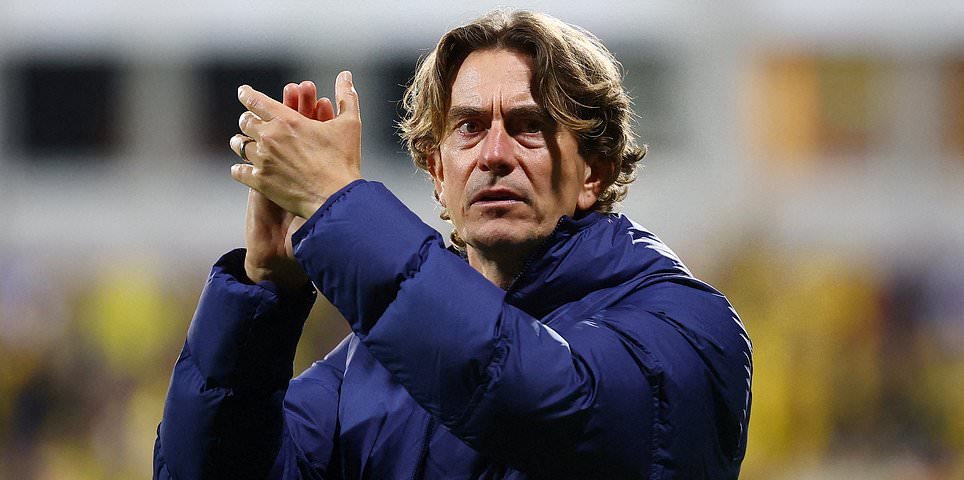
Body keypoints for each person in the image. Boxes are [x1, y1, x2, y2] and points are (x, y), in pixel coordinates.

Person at [154, 9, 752, 480]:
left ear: (593, 174)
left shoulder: (687, 328)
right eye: (469, 127)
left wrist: (341, 208)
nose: (494, 155)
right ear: (439, 173)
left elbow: (529, 393)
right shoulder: (369, 365)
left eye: (529, 127)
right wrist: (264, 295)